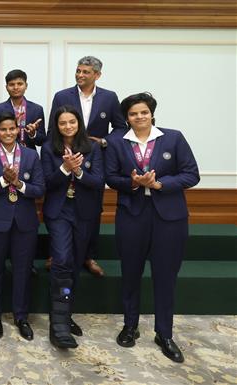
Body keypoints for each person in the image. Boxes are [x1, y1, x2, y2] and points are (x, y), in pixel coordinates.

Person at [106, 92, 199, 363]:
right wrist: (134, 182)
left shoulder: (173, 138)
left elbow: (191, 174)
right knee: (131, 273)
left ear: (152, 113)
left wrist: (159, 184)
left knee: (165, 277)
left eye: (143, 112)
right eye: (134, 114)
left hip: (169, 218)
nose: (139, 117)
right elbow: (111, 177)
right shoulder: (116, 142)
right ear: (127, 118)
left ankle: (164, 333)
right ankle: (130, 326)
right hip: (132, 215)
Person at [48, 56, 128, 277]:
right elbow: (52, 130)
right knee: (58, 204)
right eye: (78, 71)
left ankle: (88, 256)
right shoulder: (62, 96)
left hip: (94, 160)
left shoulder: (109, 98)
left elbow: (121, 128)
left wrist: (103, 142)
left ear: (97, 75)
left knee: (92, 208)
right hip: (63, 156)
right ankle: (57, 253)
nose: (80, 75)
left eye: (85, 72)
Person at [0, 112, 44, 341]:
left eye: (12, 129)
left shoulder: (31, 155)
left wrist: (19, 184)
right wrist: (4, 181)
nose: (8, 133)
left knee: (22, 271)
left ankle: (21, 316)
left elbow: (39, 189)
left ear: (18, 130)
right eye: (3, 129)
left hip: (24, 223)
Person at [41, 105, 104, 348]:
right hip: (59, 212)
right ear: (56, 126)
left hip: (84, 212)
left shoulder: (93, 147)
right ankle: (57, 325)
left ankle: (65, 314)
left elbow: (99, 181)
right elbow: (46, 182)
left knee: (76, 263)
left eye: (72, 122)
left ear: (79, 124)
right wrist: (65, 168)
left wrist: (78, 172)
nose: (68, 126)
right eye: (63, 123)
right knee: (62, 259)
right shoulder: (48, 148)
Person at [0, 69, 45, 149]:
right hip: (3, 155)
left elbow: (42, 141)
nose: (16, 87)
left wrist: (33, 134)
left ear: (26, 86)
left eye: (20, 84)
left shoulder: (37, 109)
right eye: (11, 84)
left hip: (28, 157)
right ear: (6, 87)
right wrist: (12, 125)